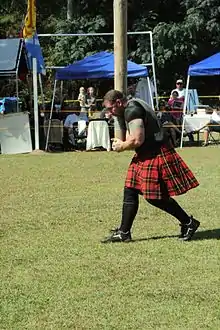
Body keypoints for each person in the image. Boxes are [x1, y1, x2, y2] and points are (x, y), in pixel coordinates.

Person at [101, 90, 200, 243]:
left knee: (154, 197)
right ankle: (124, 232)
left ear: (119, 103)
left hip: (156, 153)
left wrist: (121, 146)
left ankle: (188, 223)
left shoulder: (132, 110)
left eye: (110, 108)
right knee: (130, 188)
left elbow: (137, 140)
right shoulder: (130, 107)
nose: (109, 112)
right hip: (145, 154)